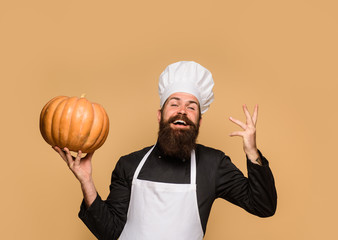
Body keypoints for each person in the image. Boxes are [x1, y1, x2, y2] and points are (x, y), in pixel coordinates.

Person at [53, 61, 277, 240]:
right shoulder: (129, 164)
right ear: (160, 115)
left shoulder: (213, 164)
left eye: (191, 107)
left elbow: (263, 206)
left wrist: (252, 152)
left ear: (199, 122)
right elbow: (110, 233)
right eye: (174, 103)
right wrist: (86, 182)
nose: (182, 111)